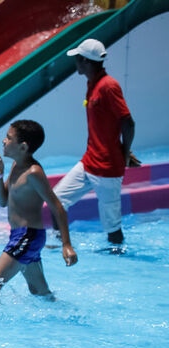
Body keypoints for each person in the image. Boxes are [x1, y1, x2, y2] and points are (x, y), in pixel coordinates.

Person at [54, 38, 137, 247]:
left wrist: (124, 153)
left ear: (85, 61)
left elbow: (128, 122)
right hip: (89, 160)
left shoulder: (108, 86)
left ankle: (119, 261)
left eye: (78, 59)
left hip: (108, 168)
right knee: (56, 200)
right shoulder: (92, 83)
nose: (76, 64)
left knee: (112, 227)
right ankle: (59, 245)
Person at [0, 120, 76, 298]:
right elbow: (3, 201)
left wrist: (66, 245)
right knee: (39, 292)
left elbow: (57, 207)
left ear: (23, 147)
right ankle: (61, 318)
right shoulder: (16, 166)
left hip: (27, 236)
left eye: (9, 138)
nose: (4, 141)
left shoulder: (34, 173)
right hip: (22, 235)